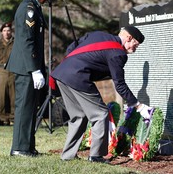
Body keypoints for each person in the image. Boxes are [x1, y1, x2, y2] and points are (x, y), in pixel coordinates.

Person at [50, 25, 154, 163]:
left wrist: (74, 63)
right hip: (78, 77)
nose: (135, 49)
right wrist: (139, 106)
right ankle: (96, 156)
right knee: (100, 114)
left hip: (61, 74)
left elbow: (72, 47)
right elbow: (120, 85)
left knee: (78, 117)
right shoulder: (118, 53)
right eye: (136, 45)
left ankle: (68, 156)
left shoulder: (97, 34)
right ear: (129, 38)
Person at [5, 0, 53, 157]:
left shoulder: (35, 7)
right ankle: (19, 148)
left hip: (30, 66)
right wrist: (34, 69)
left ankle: (27, 146)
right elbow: (27, 41)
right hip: (26, 67)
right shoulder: (28, 8)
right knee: (24, 107)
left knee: (30, 108)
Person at [0, 22, 15, 126]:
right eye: (4, 31)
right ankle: (3, 118)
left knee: (14, 95)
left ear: (11, 32)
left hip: (13, 70)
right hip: (1, 71)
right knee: (2, 96)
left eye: (8, 30)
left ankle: (14, 117)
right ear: (1, 33)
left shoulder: (16, 43)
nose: (6, 33)